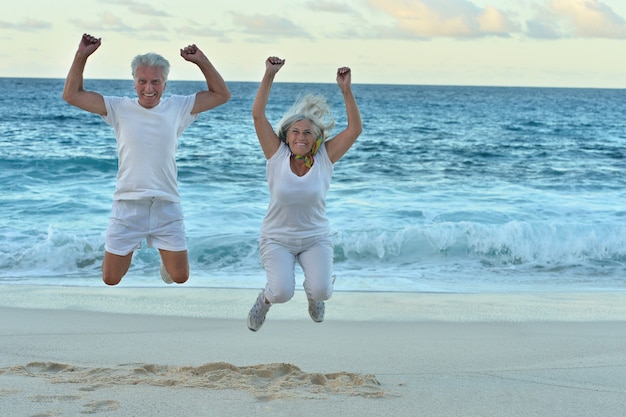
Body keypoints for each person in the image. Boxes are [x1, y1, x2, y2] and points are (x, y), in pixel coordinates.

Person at [62, 33, 231, 286]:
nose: (149, 88)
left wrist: (201, 61)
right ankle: (135, 244)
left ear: (165, 84)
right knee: (111, 279)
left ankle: (164, 257)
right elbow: (72, 95)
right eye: (142, 81)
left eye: (156, 82)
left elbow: (221, 94)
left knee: (180, 277)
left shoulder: (179, 107)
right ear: (134, 83)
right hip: (128, 205)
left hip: (166, 203)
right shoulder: (118, 108)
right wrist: (81, 56)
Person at [247, 56, 362, 331]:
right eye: (295, 132)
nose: (301, 137)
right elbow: (258, 115)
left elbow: (355, 130)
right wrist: (269, 74)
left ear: (317, 137)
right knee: (281, 293)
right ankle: (264, 300)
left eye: (308, 132)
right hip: (277, 238)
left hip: (315, 237)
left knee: (322, 290)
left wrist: (346, 90)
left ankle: (314, 297)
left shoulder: (325, 157)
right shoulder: (275, 155)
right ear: (286, 136)